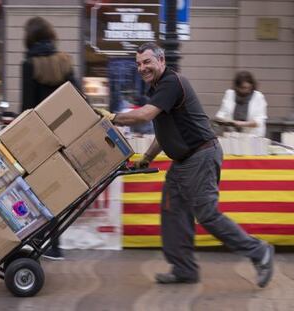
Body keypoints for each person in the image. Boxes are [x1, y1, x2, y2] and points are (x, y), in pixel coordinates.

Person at [95, 42, 274, 287]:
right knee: (172, 212)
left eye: (146, 62)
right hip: (183, 162)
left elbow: (144, 116)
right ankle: (184, 269)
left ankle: (259, 252)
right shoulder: (158, 87)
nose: (142, 68)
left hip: (200, 156)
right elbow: (164, 131)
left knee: (207, 215)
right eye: (138, 64)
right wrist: (147, 157)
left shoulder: (171, 82)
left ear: (161, 60)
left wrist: (111, 117)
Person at [22, 16, 76, 260]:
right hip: (64, 136)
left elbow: (27, 108)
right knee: (56, 191)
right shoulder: (65, 61)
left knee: (37, 190)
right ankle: (56, 245)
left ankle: (41, 240)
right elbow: (77, 98)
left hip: (38, 139)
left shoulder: (29, 64)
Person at [215, 71, 267, 136]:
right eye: (243, 88)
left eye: (248, 88)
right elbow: (222, 113)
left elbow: (259, 121)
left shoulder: (258, 97)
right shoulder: (229, 94)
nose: (246, 90)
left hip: (252, 136)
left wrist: (239, 123)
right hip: (233, 135)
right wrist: (222, 120)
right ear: (237, 86)